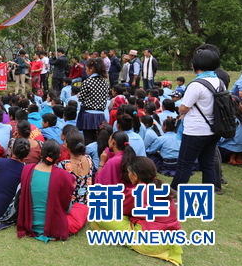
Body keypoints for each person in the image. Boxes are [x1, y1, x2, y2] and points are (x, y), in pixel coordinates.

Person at [91, 157, 183, 265]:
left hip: (149, 243)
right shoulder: (162, 188)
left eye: (129, 172)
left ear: (135, 175)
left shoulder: (138, 192)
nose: (128, 175)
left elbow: (119, 209)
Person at [16, 139, 88, 242]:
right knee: (82, 209)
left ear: (41, 153)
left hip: (28, 222)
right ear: (59, 156)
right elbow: (67, 209)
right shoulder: (64, 176)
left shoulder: (27, 169)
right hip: (52, 226)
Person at [171, 49, 222, 192]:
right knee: (207, 165)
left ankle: (173, 195)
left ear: (197, 65)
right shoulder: (219, 81)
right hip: (214, 129)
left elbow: (183, 108)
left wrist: (181, 109)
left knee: (184, 165)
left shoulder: (196, 84)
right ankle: (208, 196)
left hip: (195, 131)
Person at [76, 58, 109, 145]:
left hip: (88, 115)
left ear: (91, 69)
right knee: (99, 140)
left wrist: (79, 95)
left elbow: (81, 98)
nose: (85, 71)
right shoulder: (105, 82)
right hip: (100, 115)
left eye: (86, 69)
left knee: (88, 140)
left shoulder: (87, 82)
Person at [57, 127, 93, 204]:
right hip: (87, 204)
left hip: (70, 206)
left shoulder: (63, 165)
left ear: (66, 144)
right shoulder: (89, 159)